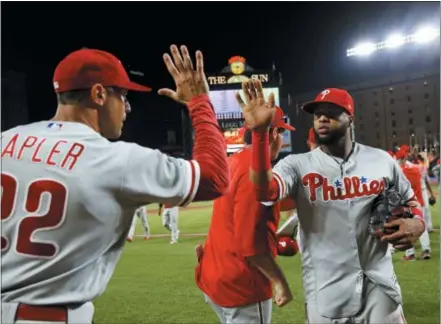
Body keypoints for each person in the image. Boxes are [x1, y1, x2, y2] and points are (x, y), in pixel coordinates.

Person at [1, 45, 229, 323]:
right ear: (99, 94)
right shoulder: (115, 159)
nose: (128, 106)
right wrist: (200, 102)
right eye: (122, 95)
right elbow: (214, 177)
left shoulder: (6, 140)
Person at [238, 81, 426, 324]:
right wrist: (261, 135)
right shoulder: (296, 164)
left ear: (350, 119)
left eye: (332, 112)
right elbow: (264, 190)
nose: (322, 119)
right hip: (326, 293)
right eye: (317, 114)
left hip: (379, 287)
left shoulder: (381, 160)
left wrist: (417, 225)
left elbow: (412, 203)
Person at [195, 106, 295, 324]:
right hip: (242, 284)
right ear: (274, 133)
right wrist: (280, 282)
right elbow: (250, 245)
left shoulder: (233, 161)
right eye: (282, 133)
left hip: (216, 273)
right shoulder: (254, 170)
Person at [393, 150, 431, 260]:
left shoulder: (400, 174)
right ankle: (426, 250)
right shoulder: (416, 169)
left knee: (407, 229)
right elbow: (425, 166)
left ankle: (410, 254)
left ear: (400, 160)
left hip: (407, 205)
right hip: (419, 202)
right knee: (422, 227)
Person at [416, 153, 436, 232]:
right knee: (421, 209)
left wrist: (431, 193)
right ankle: (421, 227)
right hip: (418, 191)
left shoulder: (422, 167)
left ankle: (429, 227)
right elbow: (427, 164)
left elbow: (426, 181)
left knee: (426, 208)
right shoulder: (419, 167)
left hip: (423, 190)